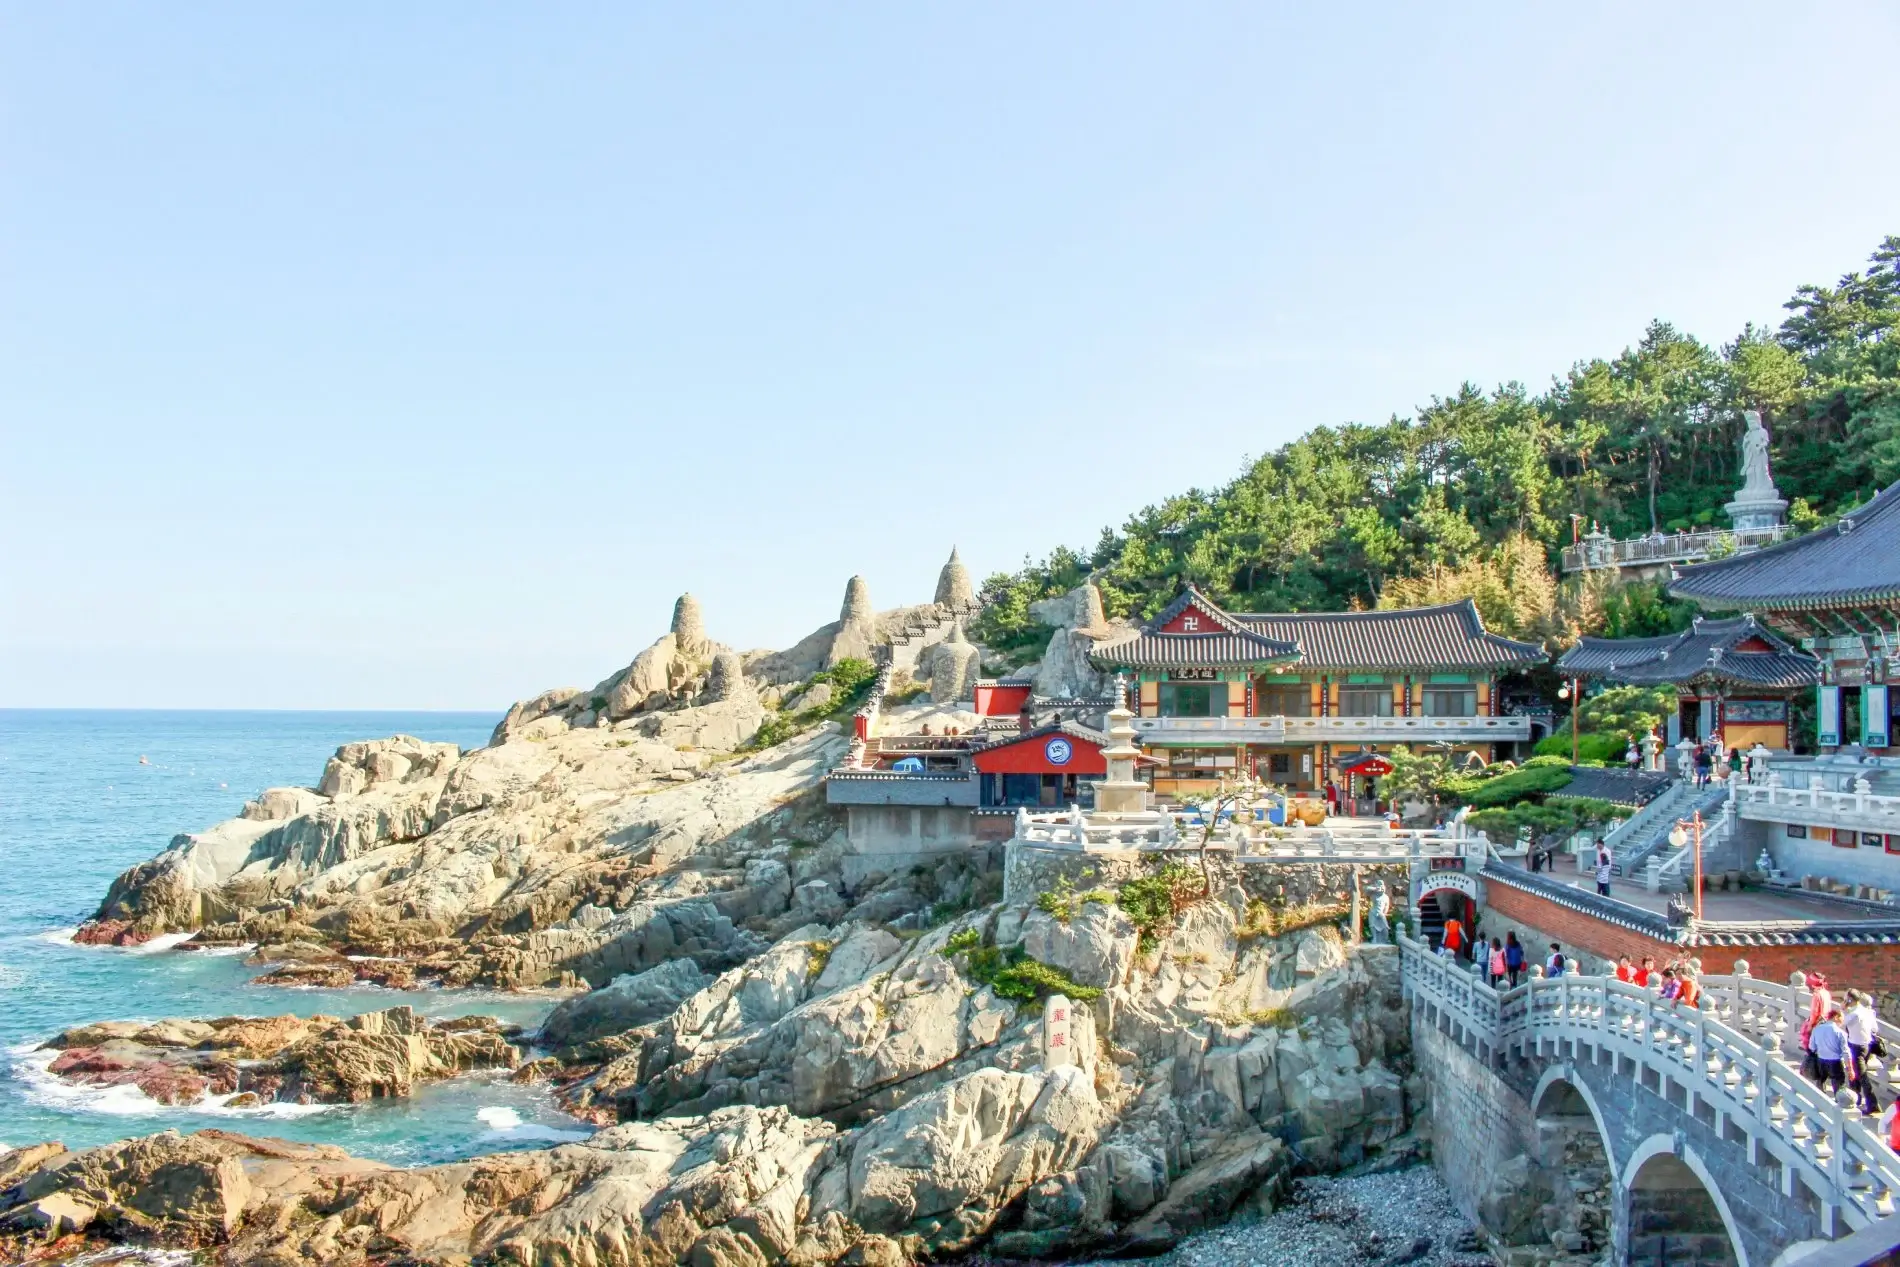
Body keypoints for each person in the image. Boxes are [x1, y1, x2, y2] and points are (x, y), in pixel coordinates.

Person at [1845, 990, 1881, 1115]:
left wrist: (1844, 1009)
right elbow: (1875, 1028)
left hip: (1855, 1046)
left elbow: (1841, 1024)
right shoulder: (1868, 1012)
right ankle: (1855, 1098)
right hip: (1867, 1046)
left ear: (1850, 999)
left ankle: (1873, 1104)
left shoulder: (1854, 1014)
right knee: (1855, 1072)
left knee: (1861, 1075)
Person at [1810, 1007, 1850, 1097]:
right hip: (1836, 1061)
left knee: (1820, 1082)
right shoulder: (1840, 1032)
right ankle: (1838, 1102)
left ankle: (1820, 1101)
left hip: (1821, 1059)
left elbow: (1811, 1047)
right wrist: (1850, 1068)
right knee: (1838, 1085)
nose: (1842, 1022)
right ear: (1836, 1017)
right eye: (1841, 1019)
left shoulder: (1817, 1029)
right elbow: (1846, 1051)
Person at [1800, 972, 1833, 1056]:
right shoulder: (1826, 993)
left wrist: (1810, 1026)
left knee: (1811, 1048)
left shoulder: (1817, 995)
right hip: (1826, 1021)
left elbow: (1814, 1013)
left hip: (1817, 1023)